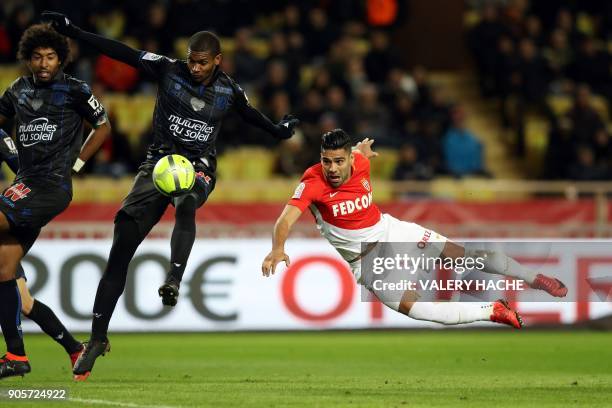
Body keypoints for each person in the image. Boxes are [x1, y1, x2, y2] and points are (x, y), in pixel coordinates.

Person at [41, 11, 300, 380]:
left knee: (188, 200)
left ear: (217, 61)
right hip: (156, 166)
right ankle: (97, 338)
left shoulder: (229, 90)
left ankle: (174, 278)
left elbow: (251, 115)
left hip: (199, 166)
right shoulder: (168, 69)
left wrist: (280, 131)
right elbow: (123, 52)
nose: (194, 68)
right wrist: (74, 32)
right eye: (192, 60)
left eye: (202, 62)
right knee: (120, 251)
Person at [261, 130, 568, 330]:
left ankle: (535, 278)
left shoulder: (358, 161)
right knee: (421, 311)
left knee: (463, 256)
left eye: (338, 162)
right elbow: (284, 220)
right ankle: (493, 311)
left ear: (349, 161)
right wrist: (278, 249)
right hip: (367, 261)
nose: (332, 168)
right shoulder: (313, 182)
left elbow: (357, 152)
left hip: (392, 232)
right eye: (326, 161)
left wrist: (361, 150)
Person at [0, 23, 110, 379]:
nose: (44, 63)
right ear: (28, 60)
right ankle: (16, 357)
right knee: (4, 270)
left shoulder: (75, 90)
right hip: (24, 185)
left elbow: (103, 126)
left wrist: (78, 163)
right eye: (37, 57)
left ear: (61, 59)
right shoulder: (16, 90)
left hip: (51, 187)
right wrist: (12, 156)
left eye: (50, 57)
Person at [0, 129, 84, 371]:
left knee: (22, 301)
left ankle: (17, 356)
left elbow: (25, 171)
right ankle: (74, 348)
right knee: (24, 302)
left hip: (10, 219)